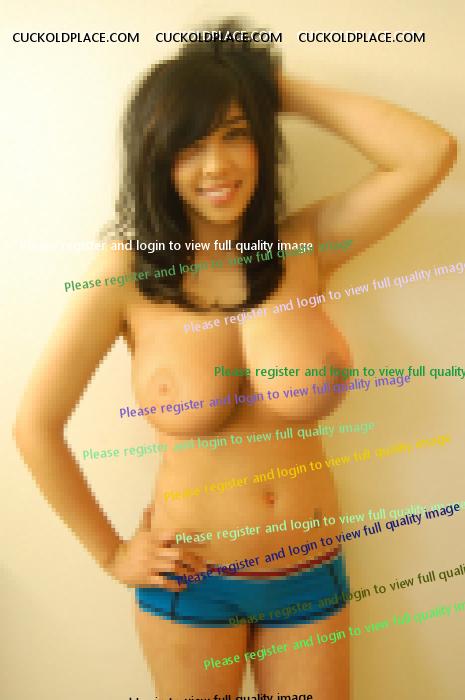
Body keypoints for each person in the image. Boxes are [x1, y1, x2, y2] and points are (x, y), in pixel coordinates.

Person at [14, 21, 456, 700]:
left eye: (234, 133)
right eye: (190, 146)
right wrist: (111, 553)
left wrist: (267, 87)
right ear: (157, 161)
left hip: (309, 576)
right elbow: (34, 427)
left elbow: (428, 154)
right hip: (190, 584)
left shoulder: (303, 246)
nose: (216, 166)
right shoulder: (129, 272)